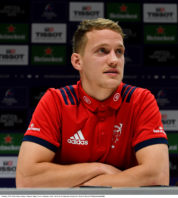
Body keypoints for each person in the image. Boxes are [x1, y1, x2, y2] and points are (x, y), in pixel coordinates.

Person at [16, 18, 169, 188]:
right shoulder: (56, 101)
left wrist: (76, 185)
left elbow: (157, 176)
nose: (114, 60)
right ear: (77, 61)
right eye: (102, 51)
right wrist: (100, 168)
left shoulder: (140, 100)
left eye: (119, 51)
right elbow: (27, 179)